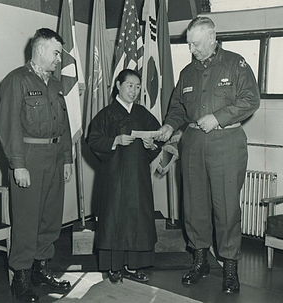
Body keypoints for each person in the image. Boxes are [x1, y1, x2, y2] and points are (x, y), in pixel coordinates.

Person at [157, 17, 260, 294]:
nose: (192, 49)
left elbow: (251, 100)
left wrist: (218, 117)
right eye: (189, 43)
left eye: (197, 44)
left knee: (226, 207)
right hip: (192, 145)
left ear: (213, 39)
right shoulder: (187, 72)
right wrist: (170, 124)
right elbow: (178, 106)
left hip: (226, 143)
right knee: (194, 206)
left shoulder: (235, 64)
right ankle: (200, 259)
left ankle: (229, 267)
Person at [0, 28, 73, 302]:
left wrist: (67, 158)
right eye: (55, 53)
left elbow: (63, 126)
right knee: (27, 220)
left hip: (54, 157)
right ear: (40, 50)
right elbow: (9, 127)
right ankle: (21, 277)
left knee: (50, 219)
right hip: (28, 157)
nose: (58, 59)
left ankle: (41, 270)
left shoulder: (55, 85)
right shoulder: (16, 81)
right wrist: (18, 164)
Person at [87, 69, 162, 284]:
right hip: (113, 176)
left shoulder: (142, 113)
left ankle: (133, 265)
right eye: (130, 85)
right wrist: (115, 140)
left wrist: (151, 144)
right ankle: (114, 267)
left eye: (138, 87)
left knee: (136, 220)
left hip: (138, 177)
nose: (134, 91)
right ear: (118, 85)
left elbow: (157, 138)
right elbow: (92, 140)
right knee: (114, 220)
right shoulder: (106, 114)